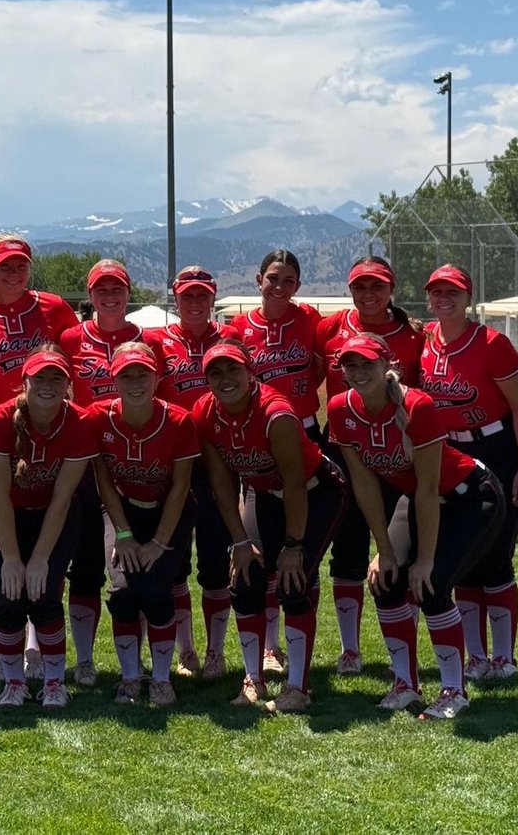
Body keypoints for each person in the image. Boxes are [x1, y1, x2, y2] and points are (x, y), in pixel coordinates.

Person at [328, 332, 506, 719]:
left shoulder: (416, 404)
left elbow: (427, 488)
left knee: (431, 585)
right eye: (350, 364)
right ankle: (405, 683)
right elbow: (365, 485)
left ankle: (453, 691)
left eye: (367, 363)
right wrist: (385, 550)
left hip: (471, 495)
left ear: (387, 365)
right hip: (420, 499)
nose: (358, 372)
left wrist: (425, 559)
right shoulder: (341, 408)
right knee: (385, 580)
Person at [193, 340, 348, 711]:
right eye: (216, 372)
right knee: (244, 578)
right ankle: (253, 681)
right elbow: (222, 483)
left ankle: (298, 687)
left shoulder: (275, 413)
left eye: (233, 369)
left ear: (251, 372)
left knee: (294, 582)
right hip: (262, 493)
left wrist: (294, 546)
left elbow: (294, 483)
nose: (225, 379)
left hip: (315, 493)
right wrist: (240, 541)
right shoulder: (205, 412)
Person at [0, 235, 79, 682]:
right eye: (4, 265)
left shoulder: (55, 308)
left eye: (20, 264)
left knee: (41, 540)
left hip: (47, 435)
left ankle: (33, 647)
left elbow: (68, 365)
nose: (13, 272)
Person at [420, 265, 518, 682]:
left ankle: (504, 657)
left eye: (453, 291)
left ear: (468, 297)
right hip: (452, 452)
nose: (443, 298)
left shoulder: (492, 343)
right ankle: (476, 657)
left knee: (497, 552)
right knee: (465, 555)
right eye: (436, 292)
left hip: (498, 448)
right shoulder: (426, 342)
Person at [315, 255, 424, 677]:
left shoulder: (414, 334)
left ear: (391, 289)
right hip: (345, 445)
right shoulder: (329, 328)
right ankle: (350, 650)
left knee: (401, 548)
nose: (368, 294)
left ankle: (406, 646)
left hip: (398, 449)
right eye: (360, 286)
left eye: (377, 286)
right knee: (348, 547)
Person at [0, 346, 95, 709]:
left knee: (43, 595)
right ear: (24, 382)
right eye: (39, 377)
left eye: (57, 377)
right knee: (8, 596)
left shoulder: (78, 422)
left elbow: (61, 500)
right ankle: (14, 682)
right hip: (3, 512)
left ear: (68, 384)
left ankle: (55, 682)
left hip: (54, 515)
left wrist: (40, 559)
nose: (47, 385)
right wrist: (11, 557)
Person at [83, 343, 199, 706]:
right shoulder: (98, 417)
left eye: (143, 374)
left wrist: (159, 544)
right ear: (113, 380)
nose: (135, 382)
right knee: (122, 591)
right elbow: (104, 482)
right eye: (126, 375)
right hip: (121, 513)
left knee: (156, 590)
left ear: (157, 378)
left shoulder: (179, 420)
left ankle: (162, 679)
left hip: (169, 513)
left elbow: (181, 487)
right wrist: (123, 535)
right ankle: (131, 677)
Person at [230, 249, 323, 677]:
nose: (280, 286)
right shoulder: (238, 327)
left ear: (298, 285)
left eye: (288, 280)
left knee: (304, 548)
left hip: (304, 432)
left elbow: (327, 361)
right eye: (272, 278)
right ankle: (269, 648)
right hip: (256, 440)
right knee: (262, 545)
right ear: (257, 279)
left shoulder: (311, 321)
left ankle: (303, 647)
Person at [59, 259, 150, 687]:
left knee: (132, 562)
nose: (110, 297)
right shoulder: (71, 338)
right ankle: (84, 660)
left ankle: (145, 656)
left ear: (128, 293)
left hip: (130, 460)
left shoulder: (146, 339)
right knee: (85, 561)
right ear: (90, 295)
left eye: (117, 289)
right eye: (101, 290)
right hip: (81, 456)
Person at [145, 266, 239, 679]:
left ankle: (215, 651)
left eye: (202, 295)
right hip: (173, 465)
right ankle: (186, 652)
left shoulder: (230, 341)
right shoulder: (155, 341)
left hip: (220, 460)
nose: (195, 303)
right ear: (175, 298)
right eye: (187, 296)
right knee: (176, 562)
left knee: (216, 561)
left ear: (213, 298)